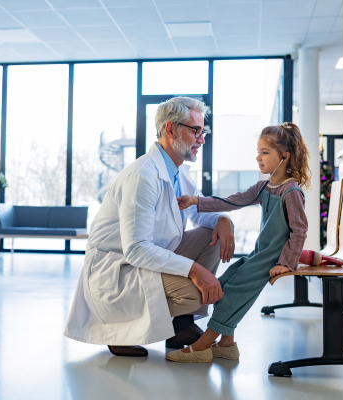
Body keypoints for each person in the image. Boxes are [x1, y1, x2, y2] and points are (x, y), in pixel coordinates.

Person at [64, 97, 235, 357]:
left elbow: (199, 215)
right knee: (195, 295)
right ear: (170, 130)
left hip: (147, 259)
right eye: (195, 131)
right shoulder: (143, 175)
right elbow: (136, 250)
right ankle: (123, 330)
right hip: (119, 271)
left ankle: (181, 325)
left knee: (212, 235)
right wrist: (195, 271)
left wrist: (224, 220)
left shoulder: (178, 172)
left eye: (203, 131)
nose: (201, 139)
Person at [167, 122, 310, 362]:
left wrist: (286, 263)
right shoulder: (264, 186)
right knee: (225, 283)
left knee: (231, 294)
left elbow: (300, 230)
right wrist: (196, 201)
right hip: (258, 255)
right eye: (258, 152)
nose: (258, 158)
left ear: (284, 157)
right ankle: (226, 344)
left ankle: (202, 346)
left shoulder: (291, 192)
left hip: (271, 260)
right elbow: (232, 201)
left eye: (265, 153)